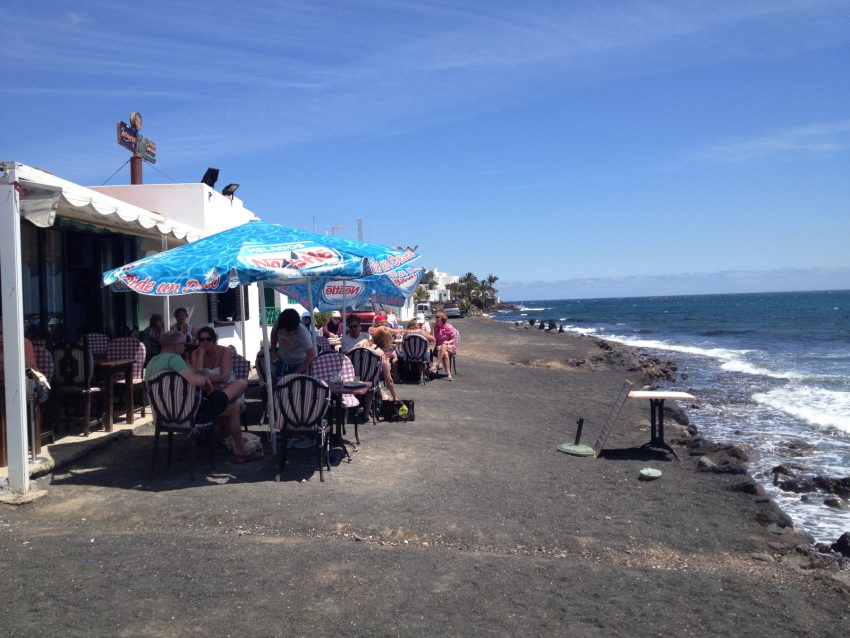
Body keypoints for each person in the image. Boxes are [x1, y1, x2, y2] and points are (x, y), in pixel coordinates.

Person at [145, 330, 258, 463]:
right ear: (175, 345)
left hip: (163, 417)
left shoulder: (152, 362)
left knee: (233, 407)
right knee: (240, 384)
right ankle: (239, 450)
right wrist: (206, 381)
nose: (185, 347)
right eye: (183, 344)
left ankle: (236, 448)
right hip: (192, 415)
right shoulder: (174, 359)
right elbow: (195, 381)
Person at [351, 326, 398, 419]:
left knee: (368, 379)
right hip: (369, 382)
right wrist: (395, 397)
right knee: (372, 382)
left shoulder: (362, 342)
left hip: (355, 378)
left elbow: (350, 353)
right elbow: (388, 379)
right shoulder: (380, 354)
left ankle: (353, 408)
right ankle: (366, 414)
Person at [270, 308, 317, 380]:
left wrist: (296, 373)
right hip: (282, 361)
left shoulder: (302, 331)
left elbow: (311, 355)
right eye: (288, 332)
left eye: (293, 331)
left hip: (299, 363)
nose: (291, 334)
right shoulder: (278, 322)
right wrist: (273, 351)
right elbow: (273, 333)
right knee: (278, 386)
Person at [431, 311, 458, 381]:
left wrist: (447, 342)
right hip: (439, 348)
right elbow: (432, 339)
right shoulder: (436, 327)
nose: (436, 319)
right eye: (435, 318)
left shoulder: (449, 327)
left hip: (450, 346)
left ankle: (436, 364)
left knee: (444, 345)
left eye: (438, 318)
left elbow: (453, 339)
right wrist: (432, 327)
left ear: (442, 319)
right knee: (445, 353)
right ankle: (449, 374)